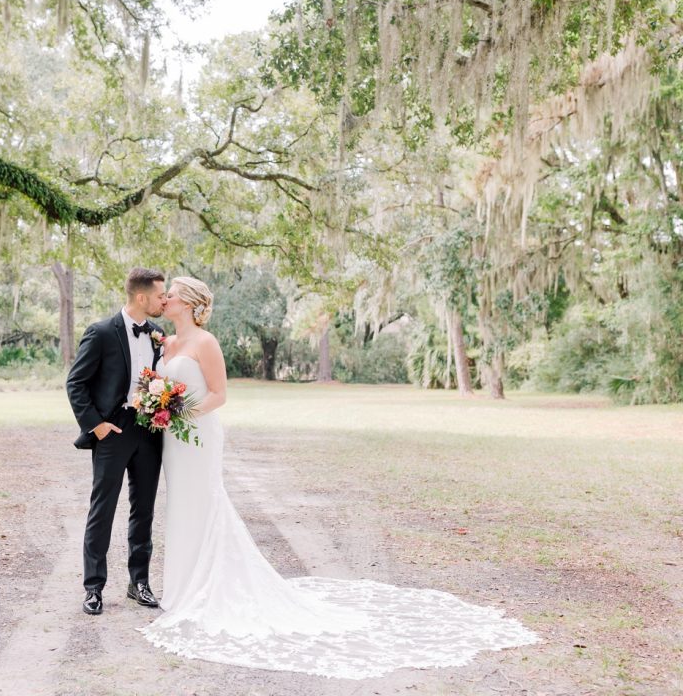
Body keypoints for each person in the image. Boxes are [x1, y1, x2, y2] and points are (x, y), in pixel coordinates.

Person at [140, 276, 540, 679]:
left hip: (199, 434)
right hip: (174, 440)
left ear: (189, 304)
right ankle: (182, 586)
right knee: (180, 506)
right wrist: (158, 404)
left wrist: (182, 413)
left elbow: (218, 395)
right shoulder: (169, 343)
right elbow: (159, 385)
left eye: (171, 293)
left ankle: (208, 586)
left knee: (204, 502)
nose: (165, 298)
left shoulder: (205, 343)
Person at [66, 268, 167, 616]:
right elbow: (75, 383)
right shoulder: (101, 333)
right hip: (113, 430)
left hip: (150, 431)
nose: (163, 301)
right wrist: (96, 426)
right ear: (141, 298)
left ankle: (139, 582)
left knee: (144, 510)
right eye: (159, 296)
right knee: (102, 509)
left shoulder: (157, 334)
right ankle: (94, 587)